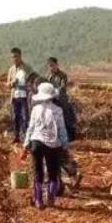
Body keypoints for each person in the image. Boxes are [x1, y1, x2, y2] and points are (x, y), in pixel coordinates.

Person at [21, 82, 68, 209]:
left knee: (38, 172)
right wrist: (65, 145)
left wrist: (25, 146)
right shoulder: (58, 110)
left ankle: (38, 200)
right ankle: (51, 198)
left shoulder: (36, 109)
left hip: (36, 143)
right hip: (53, 145)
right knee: (53, 173)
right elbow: (62, 129)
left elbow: (30, 128)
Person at [46, 57, 82, 190]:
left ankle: (63, 179)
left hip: (60, 104)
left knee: (58, 155)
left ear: (56, 64)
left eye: (53, 65)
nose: (51, 68)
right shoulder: (49, 77)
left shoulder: (62, 76)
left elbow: (61, 90)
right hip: (57, 133)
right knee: (61, 155)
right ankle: (71, 175)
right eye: (49, 66)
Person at [7, 47, 36, 143]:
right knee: (15, 117)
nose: (15, 59)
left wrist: (29, 86)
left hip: (25, 97)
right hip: (15, 96)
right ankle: (16, 136)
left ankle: (26, 137)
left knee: (25, 117)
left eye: (16, 56)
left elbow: (34, 79)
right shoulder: (11, 69)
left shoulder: (27, 67)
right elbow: (8, 84)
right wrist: (12, 83)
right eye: (13, 57)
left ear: (20, 56)